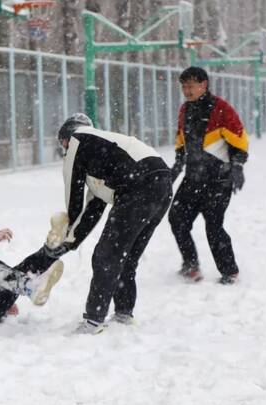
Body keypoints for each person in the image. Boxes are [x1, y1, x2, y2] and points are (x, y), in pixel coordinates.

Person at [50, 113, 173, 334]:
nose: (64, 150)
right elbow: (92, 211)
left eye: (63, 144)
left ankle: (94, 320)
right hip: (162, 183)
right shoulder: (107, 154)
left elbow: (73, 197)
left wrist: (65, 233)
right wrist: (71, 242)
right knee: (125, 256)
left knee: (105, 256)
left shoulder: (79, 140)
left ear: (66, 137)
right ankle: (124, 313)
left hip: (137, 185)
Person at [168, 66, 249, 285]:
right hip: (193, 177)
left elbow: (240, 142)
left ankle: (229, 271)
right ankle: (191, 265)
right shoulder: (185, 109)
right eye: (184, 86)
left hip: (218, 179)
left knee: (213, 226)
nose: (186, 90)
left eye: (191, 86)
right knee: (177, 219)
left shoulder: (221, 109)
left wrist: (237, 167)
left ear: (204, 85)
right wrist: (176, 168)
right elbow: (181, 141)